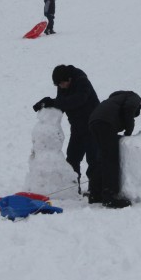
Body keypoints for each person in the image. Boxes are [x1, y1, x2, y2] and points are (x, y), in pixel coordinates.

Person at [33, 64, 100, 196]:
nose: (61, 87)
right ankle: (73, 189)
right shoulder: (62, 85)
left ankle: (96, 191)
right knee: (72, 158)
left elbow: (78, 100)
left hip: (92, 126)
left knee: (93, 160)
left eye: (62, 84)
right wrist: (48, 105)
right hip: (77, 128)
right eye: (58, 85)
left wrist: (55, 103)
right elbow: (62, 102)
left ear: (69, 79)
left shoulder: (82, 81)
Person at [88, 90, 141, 208]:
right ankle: (110, 197)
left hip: (94, 122)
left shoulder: (113, 100)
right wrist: (128, 131)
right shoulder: (134, 97)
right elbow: (129, 109)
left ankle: (95, 194)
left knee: (102, 158)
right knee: (111, 160)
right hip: (105, 123)